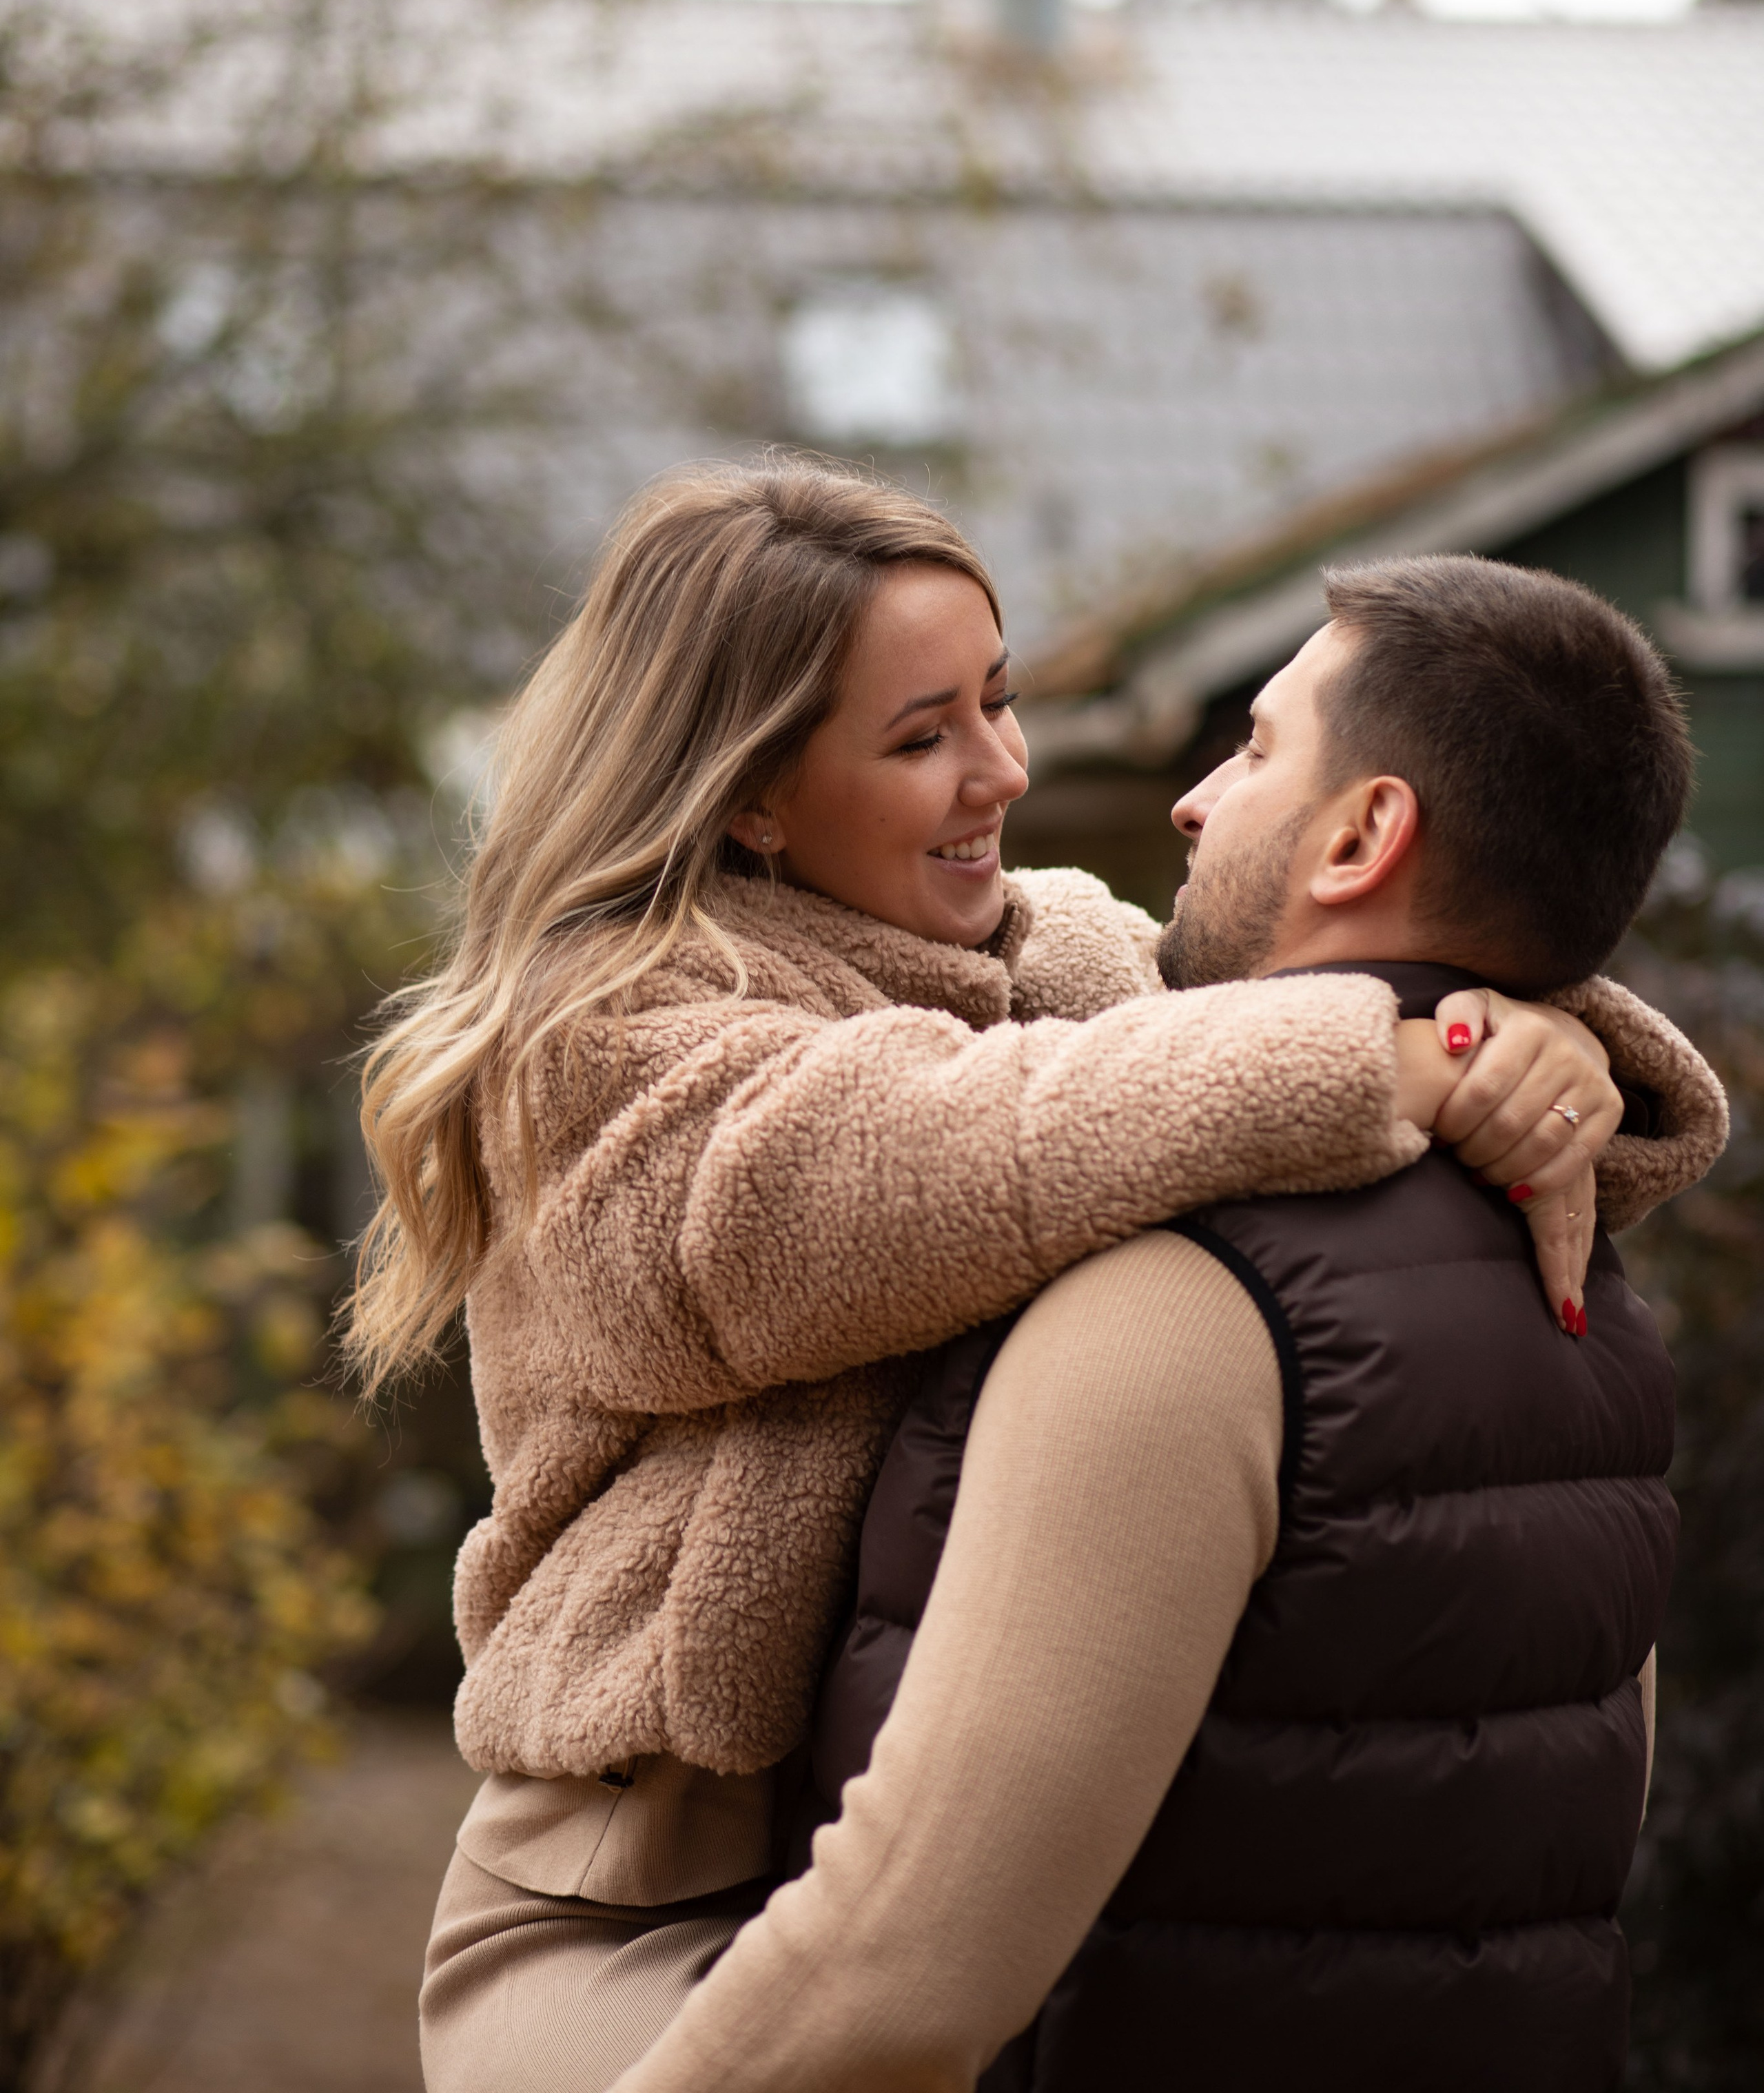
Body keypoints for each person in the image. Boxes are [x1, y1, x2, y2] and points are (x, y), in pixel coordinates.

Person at [347, 466, 1719, 2093]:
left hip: (839, 1856)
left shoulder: (1049, 955)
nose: (1001, 767)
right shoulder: (606, 1051)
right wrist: (1392, 1049)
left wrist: (1530, 1035)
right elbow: (921, 1157)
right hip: (630, 1896)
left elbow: (1273, 995)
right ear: (753, 797)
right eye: (921, 736)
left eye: (997, 702)